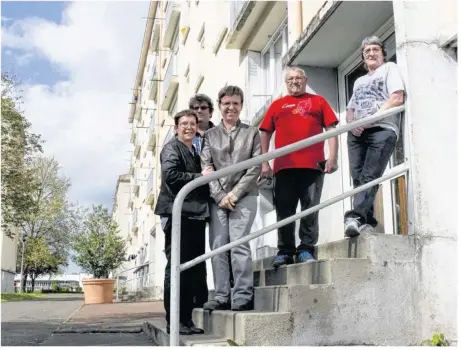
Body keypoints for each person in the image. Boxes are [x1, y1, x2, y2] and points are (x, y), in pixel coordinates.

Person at [259, 66, 339, 269]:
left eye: (298, 78)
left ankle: (306, 248)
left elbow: (331, 129)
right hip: (284, 167)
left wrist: (333, 157)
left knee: (309, 209)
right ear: (286, 83)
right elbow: (265, 133)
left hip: (313, 166)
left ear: (305, 79)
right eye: (290, 79)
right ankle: (285, 251)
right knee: (284, 210)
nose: (294, 81)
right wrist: (264, 161)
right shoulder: (277, 105)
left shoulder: (318, 101)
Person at [201, 85, 261, 311]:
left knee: (239, 244)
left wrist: (235, 193)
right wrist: (220, 195)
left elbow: (255, 166)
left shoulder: (251, 132)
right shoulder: (209, 136)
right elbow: (206, 166)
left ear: (241, 106)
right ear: (219, 106)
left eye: (236, 103)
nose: (231, 107)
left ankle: (243, 294)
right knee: (218, 245)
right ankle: (222, 295)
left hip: (244, 195)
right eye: (227, 103)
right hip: (218, 198)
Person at [154, 109, 213, 335]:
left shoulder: (194, 151)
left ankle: (186, 320)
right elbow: (171, 176)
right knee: (177, 269)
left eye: (192, 124)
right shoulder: (171, 148)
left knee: (191, 270)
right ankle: (175, 321)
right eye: (184, 124)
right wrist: (201, 177)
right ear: (176, 128)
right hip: (177, 215)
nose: (188, 127)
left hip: (195, 215)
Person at [343, 36, 405, 237]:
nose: (371, 53)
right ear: (363, 56)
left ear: (382, 53)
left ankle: (354, 217)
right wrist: (352, 124)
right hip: (357, 133)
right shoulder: (360, 81)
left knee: (370, 176)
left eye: (375, 49)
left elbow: (397, 97)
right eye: (367, 50)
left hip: (382, 129)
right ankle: (366, 221)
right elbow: (350, 108)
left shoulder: (390, 69)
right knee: (358, 177)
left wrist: (369, 120)